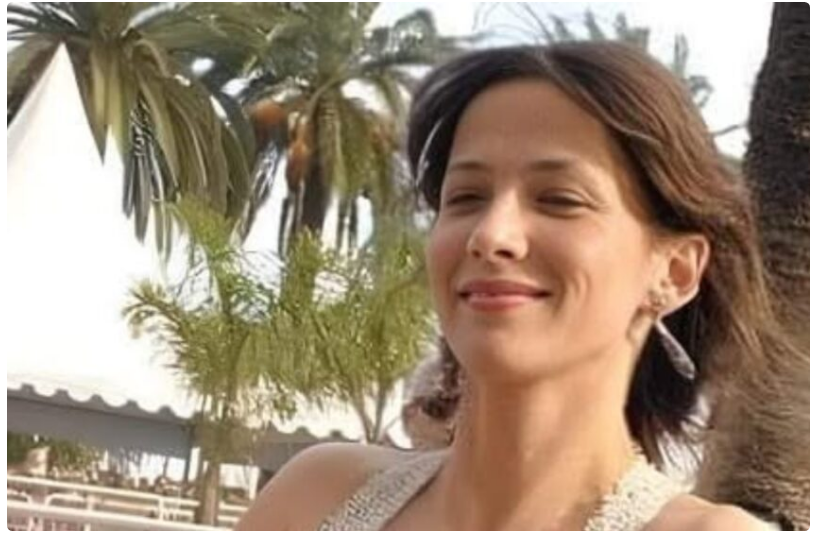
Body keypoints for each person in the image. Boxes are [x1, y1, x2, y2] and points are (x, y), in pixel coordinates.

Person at [236, 42, 788, 530]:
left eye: (559, 200)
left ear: (675, 272)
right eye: (466, 197)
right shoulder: (312, 500)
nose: (491, 234)